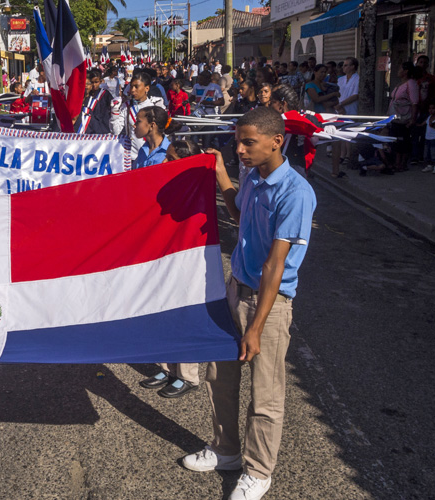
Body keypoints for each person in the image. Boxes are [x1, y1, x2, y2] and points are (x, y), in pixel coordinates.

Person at [182, 107, 316, 500]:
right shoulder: (254, 178)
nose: (239, 148)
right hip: (235, 289)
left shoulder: (295, 193)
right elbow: (239, 215)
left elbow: (276, 264)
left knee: (265, 393)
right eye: (237, 141)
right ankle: (226, 451)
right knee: (220, 379)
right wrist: (222, 172)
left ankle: (258, 471)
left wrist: (256, 327)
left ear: (277, 141)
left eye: (248, 142)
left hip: (267, 304)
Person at [124, 72, 165, 158]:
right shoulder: (126, 106)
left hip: (151, 154)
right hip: (131, 156)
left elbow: (163, 131)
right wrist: (115, 113)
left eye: (136, 86)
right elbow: (116, 131)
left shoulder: (156, 105)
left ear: (147, 88)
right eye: (131, 86)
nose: (132, 90)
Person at [388, 61, 420, 171]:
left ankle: (402, 164)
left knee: (404, 141)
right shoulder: (400, 84)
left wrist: (413, 119)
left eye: (400, 69)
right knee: (396, 141)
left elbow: (414, 102)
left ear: (406, 71)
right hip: (396, 118)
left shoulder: (411, 84)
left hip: (405, 118)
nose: (398, 71)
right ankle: (396, 162)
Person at [332, 57, 359, 177]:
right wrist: (338, 106)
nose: (344, 67)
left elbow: (355, 95)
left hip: (351, 108)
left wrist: (342, 104)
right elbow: (338, 94)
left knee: (349, 132)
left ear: (353, 66)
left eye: (346, 65)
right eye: (343, 65)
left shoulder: (357, 79)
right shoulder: (341, 79)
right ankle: (342, 155)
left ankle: (349, 155)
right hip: (339, 109)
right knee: (340, 132)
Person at [77, 68, 112, 134]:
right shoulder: (86, 95)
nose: (94, 85)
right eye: (92, 82)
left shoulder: (105, 94)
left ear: (100, 81)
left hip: (102, 122)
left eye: (96, 82)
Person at [419, 100, 435, 174]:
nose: (431, 110)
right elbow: (422, 124)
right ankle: (429, 165)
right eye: (430, 108)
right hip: (427, 138)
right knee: (427, 153)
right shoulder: (429, 117)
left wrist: (434, 126)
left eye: (433, 108)